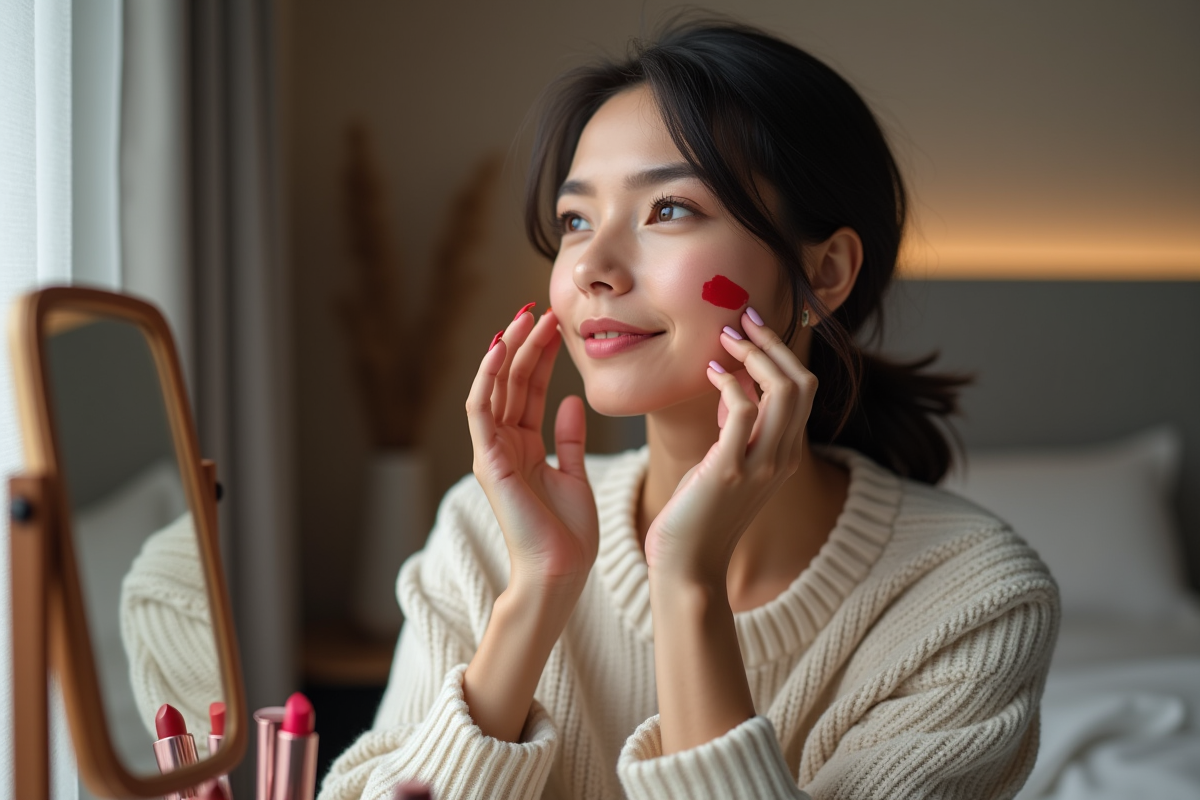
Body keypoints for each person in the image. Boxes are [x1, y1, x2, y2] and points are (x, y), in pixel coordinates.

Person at [319, 19, 1058, 800]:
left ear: (824, 273)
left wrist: (688, 586)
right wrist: (535, 594)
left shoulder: (974, 600)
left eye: (668, 209)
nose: (593, 268)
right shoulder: (487, 531)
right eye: (576, 220)